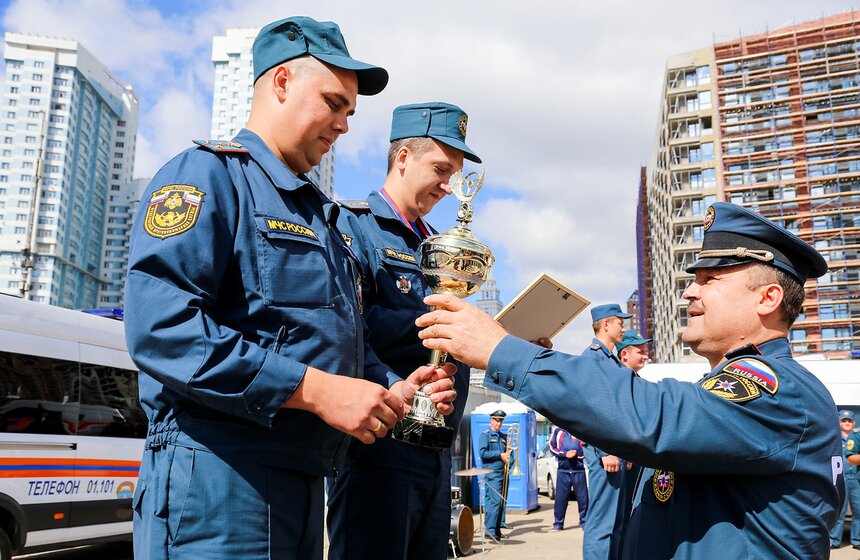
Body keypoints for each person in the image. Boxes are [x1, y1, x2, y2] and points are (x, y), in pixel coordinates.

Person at [124, 17, 456, 560]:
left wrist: (391, 390)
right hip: (218, 478)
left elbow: (332, 336)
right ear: (281, 82)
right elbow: (162, 329)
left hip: (302, 478)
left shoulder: (320, 216)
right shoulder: (208, 176)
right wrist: (318, 391)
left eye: (350, 112)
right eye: (333, 103)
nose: (343, 125)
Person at [416, 201, 846, 558]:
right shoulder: (734, 385)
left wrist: (501, 350)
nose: (690, 292)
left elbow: (650, 417)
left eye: (710, 279)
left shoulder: (777, 388)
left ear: (768, 298)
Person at [326, 102, 480, 559]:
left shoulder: (438, 246)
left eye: (454, 175)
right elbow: (345, 329)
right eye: (441, 170)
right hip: (379, 445)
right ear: (404, 158)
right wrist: (431, 330)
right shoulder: (352, 225)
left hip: (436, 448)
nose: (448, 186)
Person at [581, 304, 634, 559]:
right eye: (619, 323)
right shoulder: (592, 358)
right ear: (605, 325)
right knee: (603, 524)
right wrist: (606, 451)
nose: (623, 327)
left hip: (616, 450)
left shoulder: (610, 360)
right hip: (605, 453)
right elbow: (591, 409)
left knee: (618, 521)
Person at [548, 426, 587, 531]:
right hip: (563, 471)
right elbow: (551, 446)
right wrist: (565, 454)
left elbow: (587, 448)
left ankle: (584, 523)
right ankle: (558, 524)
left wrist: (577, 454)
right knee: (560, 499)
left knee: (583, 499)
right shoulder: (558, 431)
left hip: (579, 470)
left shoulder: (581, 429)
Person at [479, 409, 510, 541]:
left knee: (501, 502)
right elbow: (483, 454)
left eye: (501, 421)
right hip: (492, 473)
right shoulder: (485, 436)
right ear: (491, 421)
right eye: (497, 421)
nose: (499, 423)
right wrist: (500, 455)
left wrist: (509, 461)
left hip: (503, 472)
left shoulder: (503, 437)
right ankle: (490, 530)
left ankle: (497, 530)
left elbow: (509, 453)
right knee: (494, 502)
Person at [831, 410, 860, 549]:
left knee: (859, 511)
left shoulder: (858, 437)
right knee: (839, 512)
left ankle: (857, 540)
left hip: (856, 479)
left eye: (849, 421)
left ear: (854, 423)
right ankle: (834, 540)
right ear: (839, 422)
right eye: (844, 420)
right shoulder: (834, 438)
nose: (847, 423)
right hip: (840, 479)